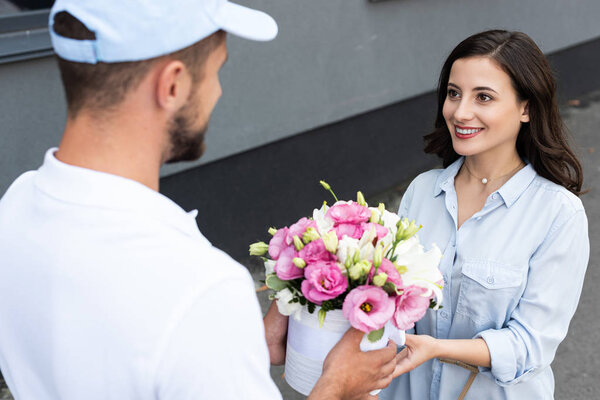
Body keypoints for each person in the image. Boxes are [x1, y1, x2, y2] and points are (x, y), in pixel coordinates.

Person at [0, 1, 399, 399]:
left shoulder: (15, 208)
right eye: (216, 70)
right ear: (172, 85)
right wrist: (337, 387)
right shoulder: (201, 289)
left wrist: (235, 349)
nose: (218, 91)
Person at [378, 30, 589, 400]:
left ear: (527, 108)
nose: (460, 112)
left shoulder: (558, 213)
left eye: (484, 97)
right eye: (454, 93)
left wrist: (438, 349)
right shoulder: (423, 191)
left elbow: (531, 346)